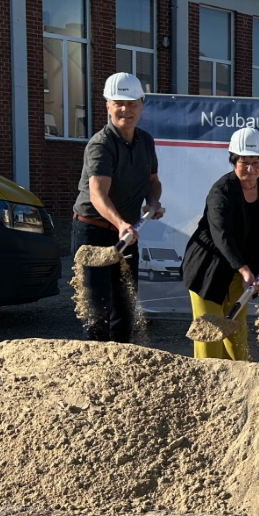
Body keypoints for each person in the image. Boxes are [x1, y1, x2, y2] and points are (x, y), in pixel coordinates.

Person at [72, 72, 163, 342]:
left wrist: (153, 202)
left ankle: (122, 367)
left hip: (126, 232)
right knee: (96, 310)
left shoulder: (145, 140)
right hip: (94, 232)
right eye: (119, 103)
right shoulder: (101, 145)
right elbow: (98, 195)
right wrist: (121, 223)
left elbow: (153, 181)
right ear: (108, 106)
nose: (126, 109)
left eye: (132, 103)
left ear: (141, 104)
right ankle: (95, 371)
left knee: (125, 306)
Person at [181, 128, 259, 360]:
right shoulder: (222, 191)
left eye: (256, 163)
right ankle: (207, 386)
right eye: (244, 162)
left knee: (237, 335)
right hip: (209, 270)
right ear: (233, 161)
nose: (250, 169)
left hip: (242, 272)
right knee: (210, 334)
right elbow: (221, 235)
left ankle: (239, 384)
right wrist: (245, 269)